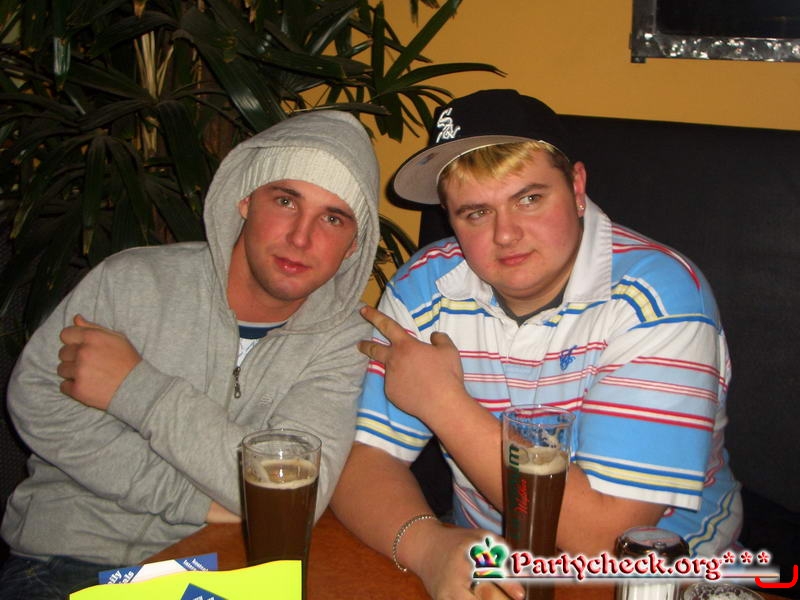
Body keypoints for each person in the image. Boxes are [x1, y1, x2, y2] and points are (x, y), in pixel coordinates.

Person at [330, 89, 741, 599]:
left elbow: (606, 542)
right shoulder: (424, 289)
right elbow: (362, 461)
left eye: (528, 198)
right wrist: (431, 548)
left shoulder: (659, 298)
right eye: (475, 212)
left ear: (576, 187)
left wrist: (440, 401)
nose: (506, 234)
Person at [0, 110, 380, 598]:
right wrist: (201, 502)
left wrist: (137, 389)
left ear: (353, 246)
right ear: (246, 199)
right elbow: (39, 402)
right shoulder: (132, 282)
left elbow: (293, 490)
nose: (301, 237)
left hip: (222, 566)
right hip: (72, 561)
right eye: (286, 200)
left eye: (333, 218)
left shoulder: (344, 341)